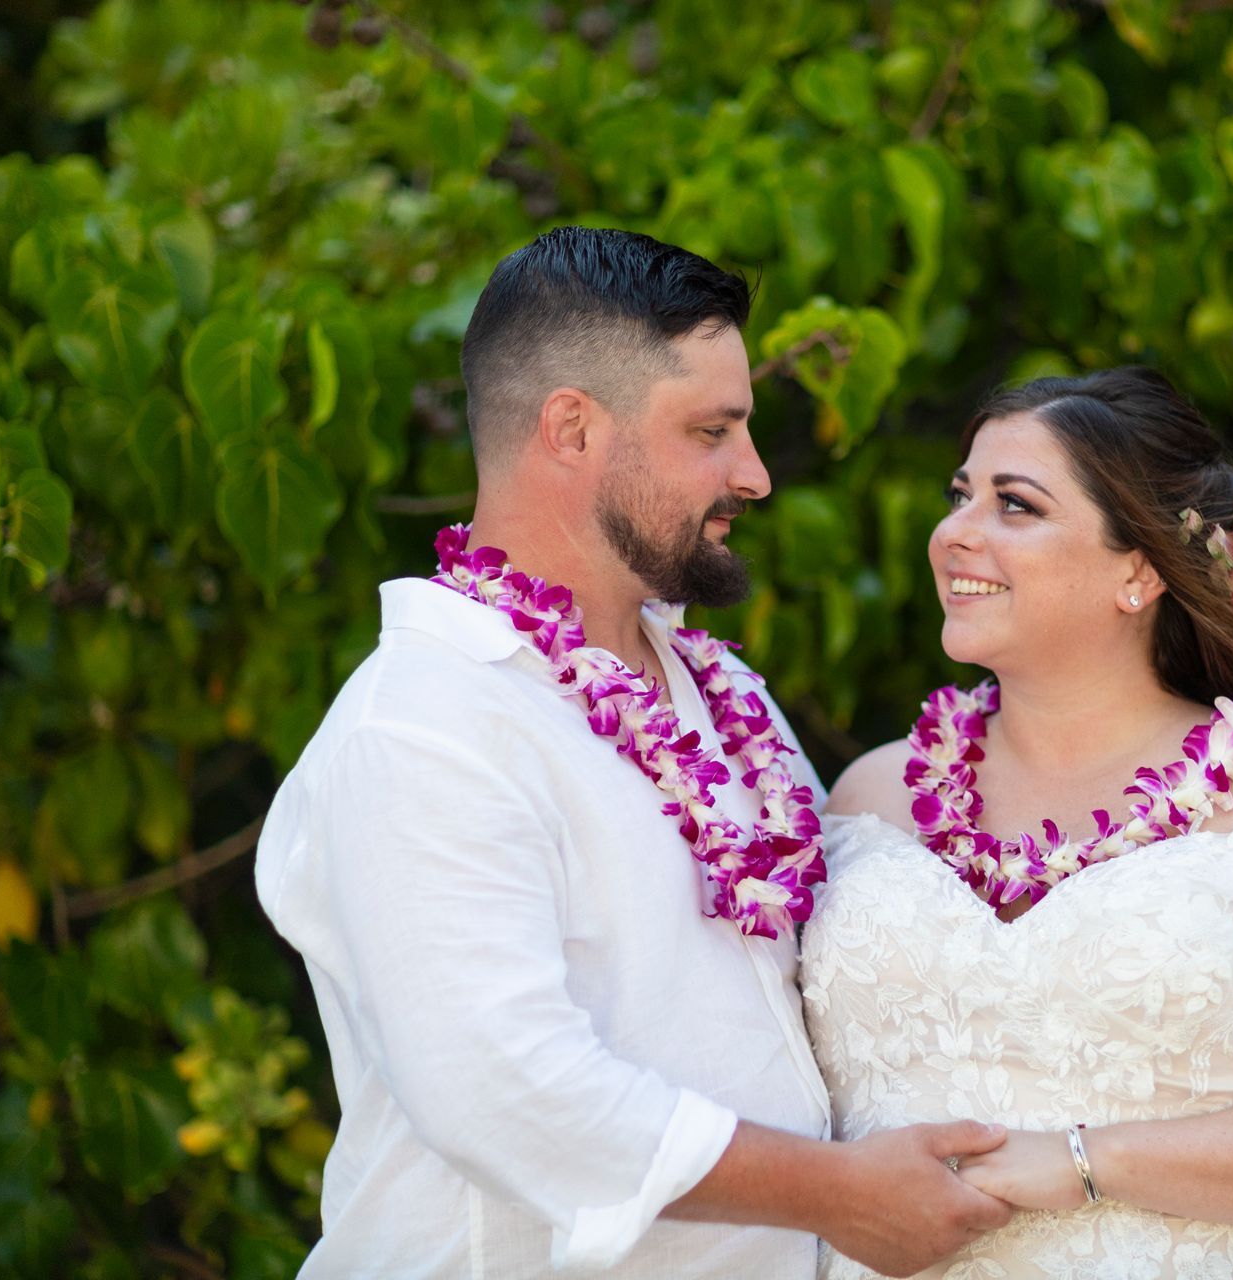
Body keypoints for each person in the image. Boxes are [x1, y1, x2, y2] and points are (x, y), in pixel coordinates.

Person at [254, 227, 1011, 1278]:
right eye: (712, 430)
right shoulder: (424, 724)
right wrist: (840, 1193)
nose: (753, 475)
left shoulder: (720, 691)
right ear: (571, 428)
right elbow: (503, 1085)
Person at [803, 367, 1233, 1278]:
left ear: (1137, 569)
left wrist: (1077, 1162)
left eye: (1014, 505)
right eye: (962, 496)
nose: (956, 533)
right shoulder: (870, 798)